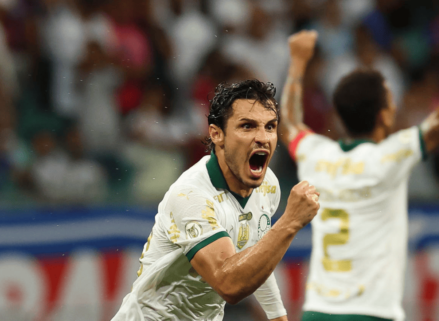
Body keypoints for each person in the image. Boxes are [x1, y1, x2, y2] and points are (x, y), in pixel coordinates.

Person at [279, 11, 439, 321]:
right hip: (372, 312)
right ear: (383, 116)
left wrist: (297, 62)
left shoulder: (316, 155)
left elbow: (287, 123)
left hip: (319, 311)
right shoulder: (389, 158)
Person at [113, 80, 320, 321]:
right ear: (216, 133)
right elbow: (228, 283)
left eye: (270, 126)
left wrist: (278, 317)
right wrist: (290, 222)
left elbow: (257, 257)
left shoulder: (268, 185)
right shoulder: (191, 195)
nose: (263, 137)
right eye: (247, 126)